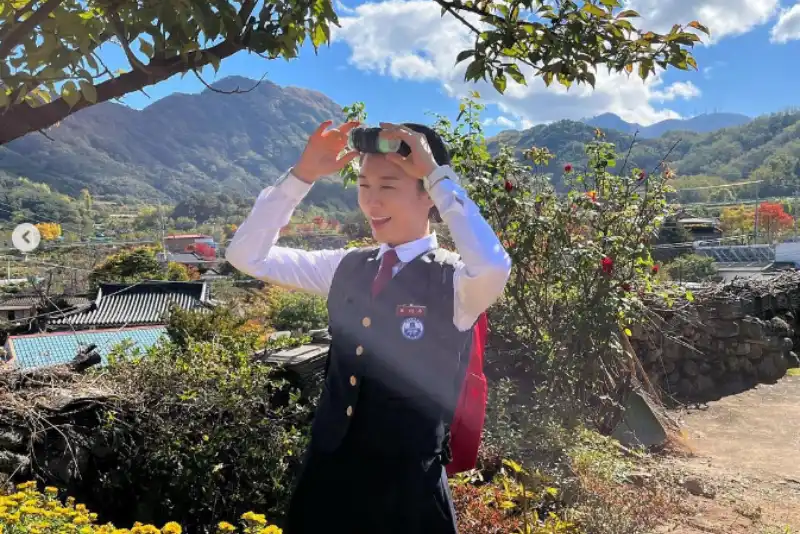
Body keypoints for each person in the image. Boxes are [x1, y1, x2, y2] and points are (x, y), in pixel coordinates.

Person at [226, 119, 511, 534]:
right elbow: (246, 255)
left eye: (388, 186)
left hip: (406, 496)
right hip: (327, 484)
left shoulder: (455, 282)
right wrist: (301, 176)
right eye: (363, 185)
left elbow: (493, 266)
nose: (372, 202)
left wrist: (438, 176)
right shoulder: (347, 265)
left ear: (428, 194)